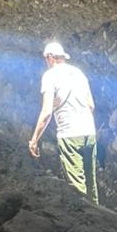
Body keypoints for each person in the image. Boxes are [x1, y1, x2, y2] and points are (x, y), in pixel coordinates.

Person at [28, 40, 98, 203]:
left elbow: (46, 112)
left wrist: (34, 140)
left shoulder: (50, 76)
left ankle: (85, 223)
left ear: (50, 57)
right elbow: (91, 105)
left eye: (46, 58)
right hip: (89, 132)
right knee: (91, 183)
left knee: (77, 188)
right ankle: (101, 219)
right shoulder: (78, 73)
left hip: (69, 135)